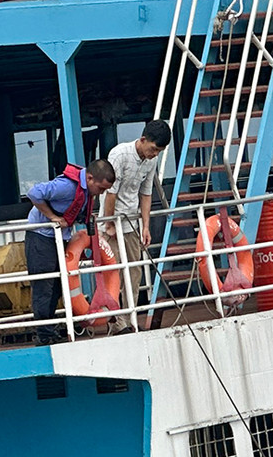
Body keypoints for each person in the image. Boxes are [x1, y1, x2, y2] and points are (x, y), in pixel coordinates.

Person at [26, 160, 116, 345]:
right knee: (44, 286)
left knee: (58, 285)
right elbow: (34, 193)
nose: (100, 193)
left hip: (60, 237)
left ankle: (50, 330)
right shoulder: (66, 186)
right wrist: (52, 217)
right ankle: (44, 334)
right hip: (41, 237)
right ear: (90, 178)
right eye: (100, 189)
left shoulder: (84, 190)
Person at [100, 120, 171, 334]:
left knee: (134, 271)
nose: (154, 154)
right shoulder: (119, 155)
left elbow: (146, 193)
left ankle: (131, 317)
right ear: (142, 140)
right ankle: (116, 322)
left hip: (132, 220)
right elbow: (110, 193)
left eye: (159, 151)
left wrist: (146, 226)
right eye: (153, 149)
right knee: (115, 272)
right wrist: (109, 223)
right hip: (112, 220)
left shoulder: (151, 162)